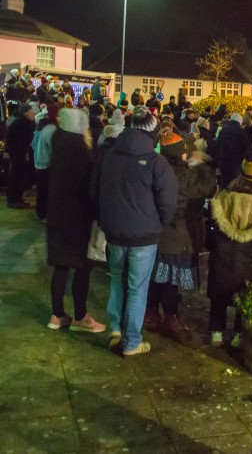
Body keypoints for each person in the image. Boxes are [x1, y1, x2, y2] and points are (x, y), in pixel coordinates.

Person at [92, 106, 178, 356]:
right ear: (152, 132)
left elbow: (94, 192)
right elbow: (169, 200)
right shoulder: (155, 161)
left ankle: (115, 329)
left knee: (117, 281)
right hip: (144, 236)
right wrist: (157, 223)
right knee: (137, 288)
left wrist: (106, 220)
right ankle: (131, 341)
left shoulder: (108, 155)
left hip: (115, 233)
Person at [146, 129, 217, 338]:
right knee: (170, 279)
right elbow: (209, 187)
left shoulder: (156, 170)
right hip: (180, 234)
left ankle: (150, 313)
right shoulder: (186, 175)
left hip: (156, 232)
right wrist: (202, 163)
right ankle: (170, 317)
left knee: (155, 276)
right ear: (179, 154)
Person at [208, 152, 252, 347]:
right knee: (246, 291)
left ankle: (216, 332)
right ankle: (239, 334)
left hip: (225, 250)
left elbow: (213, 218)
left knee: (220, 290)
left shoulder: (226, 195)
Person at [46, 108, 106, 333]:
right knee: (84, 266)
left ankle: (57, 314)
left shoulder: (59, 149)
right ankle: (80, 316)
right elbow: (88, 191)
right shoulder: (82, 155)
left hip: (57, 218)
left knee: (61, 267)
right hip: (77, 220)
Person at [5, 102, 35, 208]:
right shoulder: (21, 123)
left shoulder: (24, 122)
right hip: (17, 153)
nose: (33, 113)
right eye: (31, 111)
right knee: (17, 175)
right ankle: (13, 199)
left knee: (20, 175)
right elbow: (21, 139)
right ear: (26, 113)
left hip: (19, 152)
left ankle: (17, 197)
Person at [33, 103, 59, 221]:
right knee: (46, 191)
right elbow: (53, 147)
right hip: (46, 163)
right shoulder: (52, 128)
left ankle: (40, 212)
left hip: (38, 161)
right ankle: (44, 214)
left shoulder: (41, 126)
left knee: (41, 190)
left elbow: (33, 143)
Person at [215, 112, 250, 189]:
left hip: (223, 160)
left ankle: (223, 198)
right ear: (239, 122)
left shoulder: (223, 130)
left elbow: (218, 145)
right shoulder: (241, 131)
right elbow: (246, 146)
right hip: (235, 161)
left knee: (224, 181)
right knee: (234, 183)